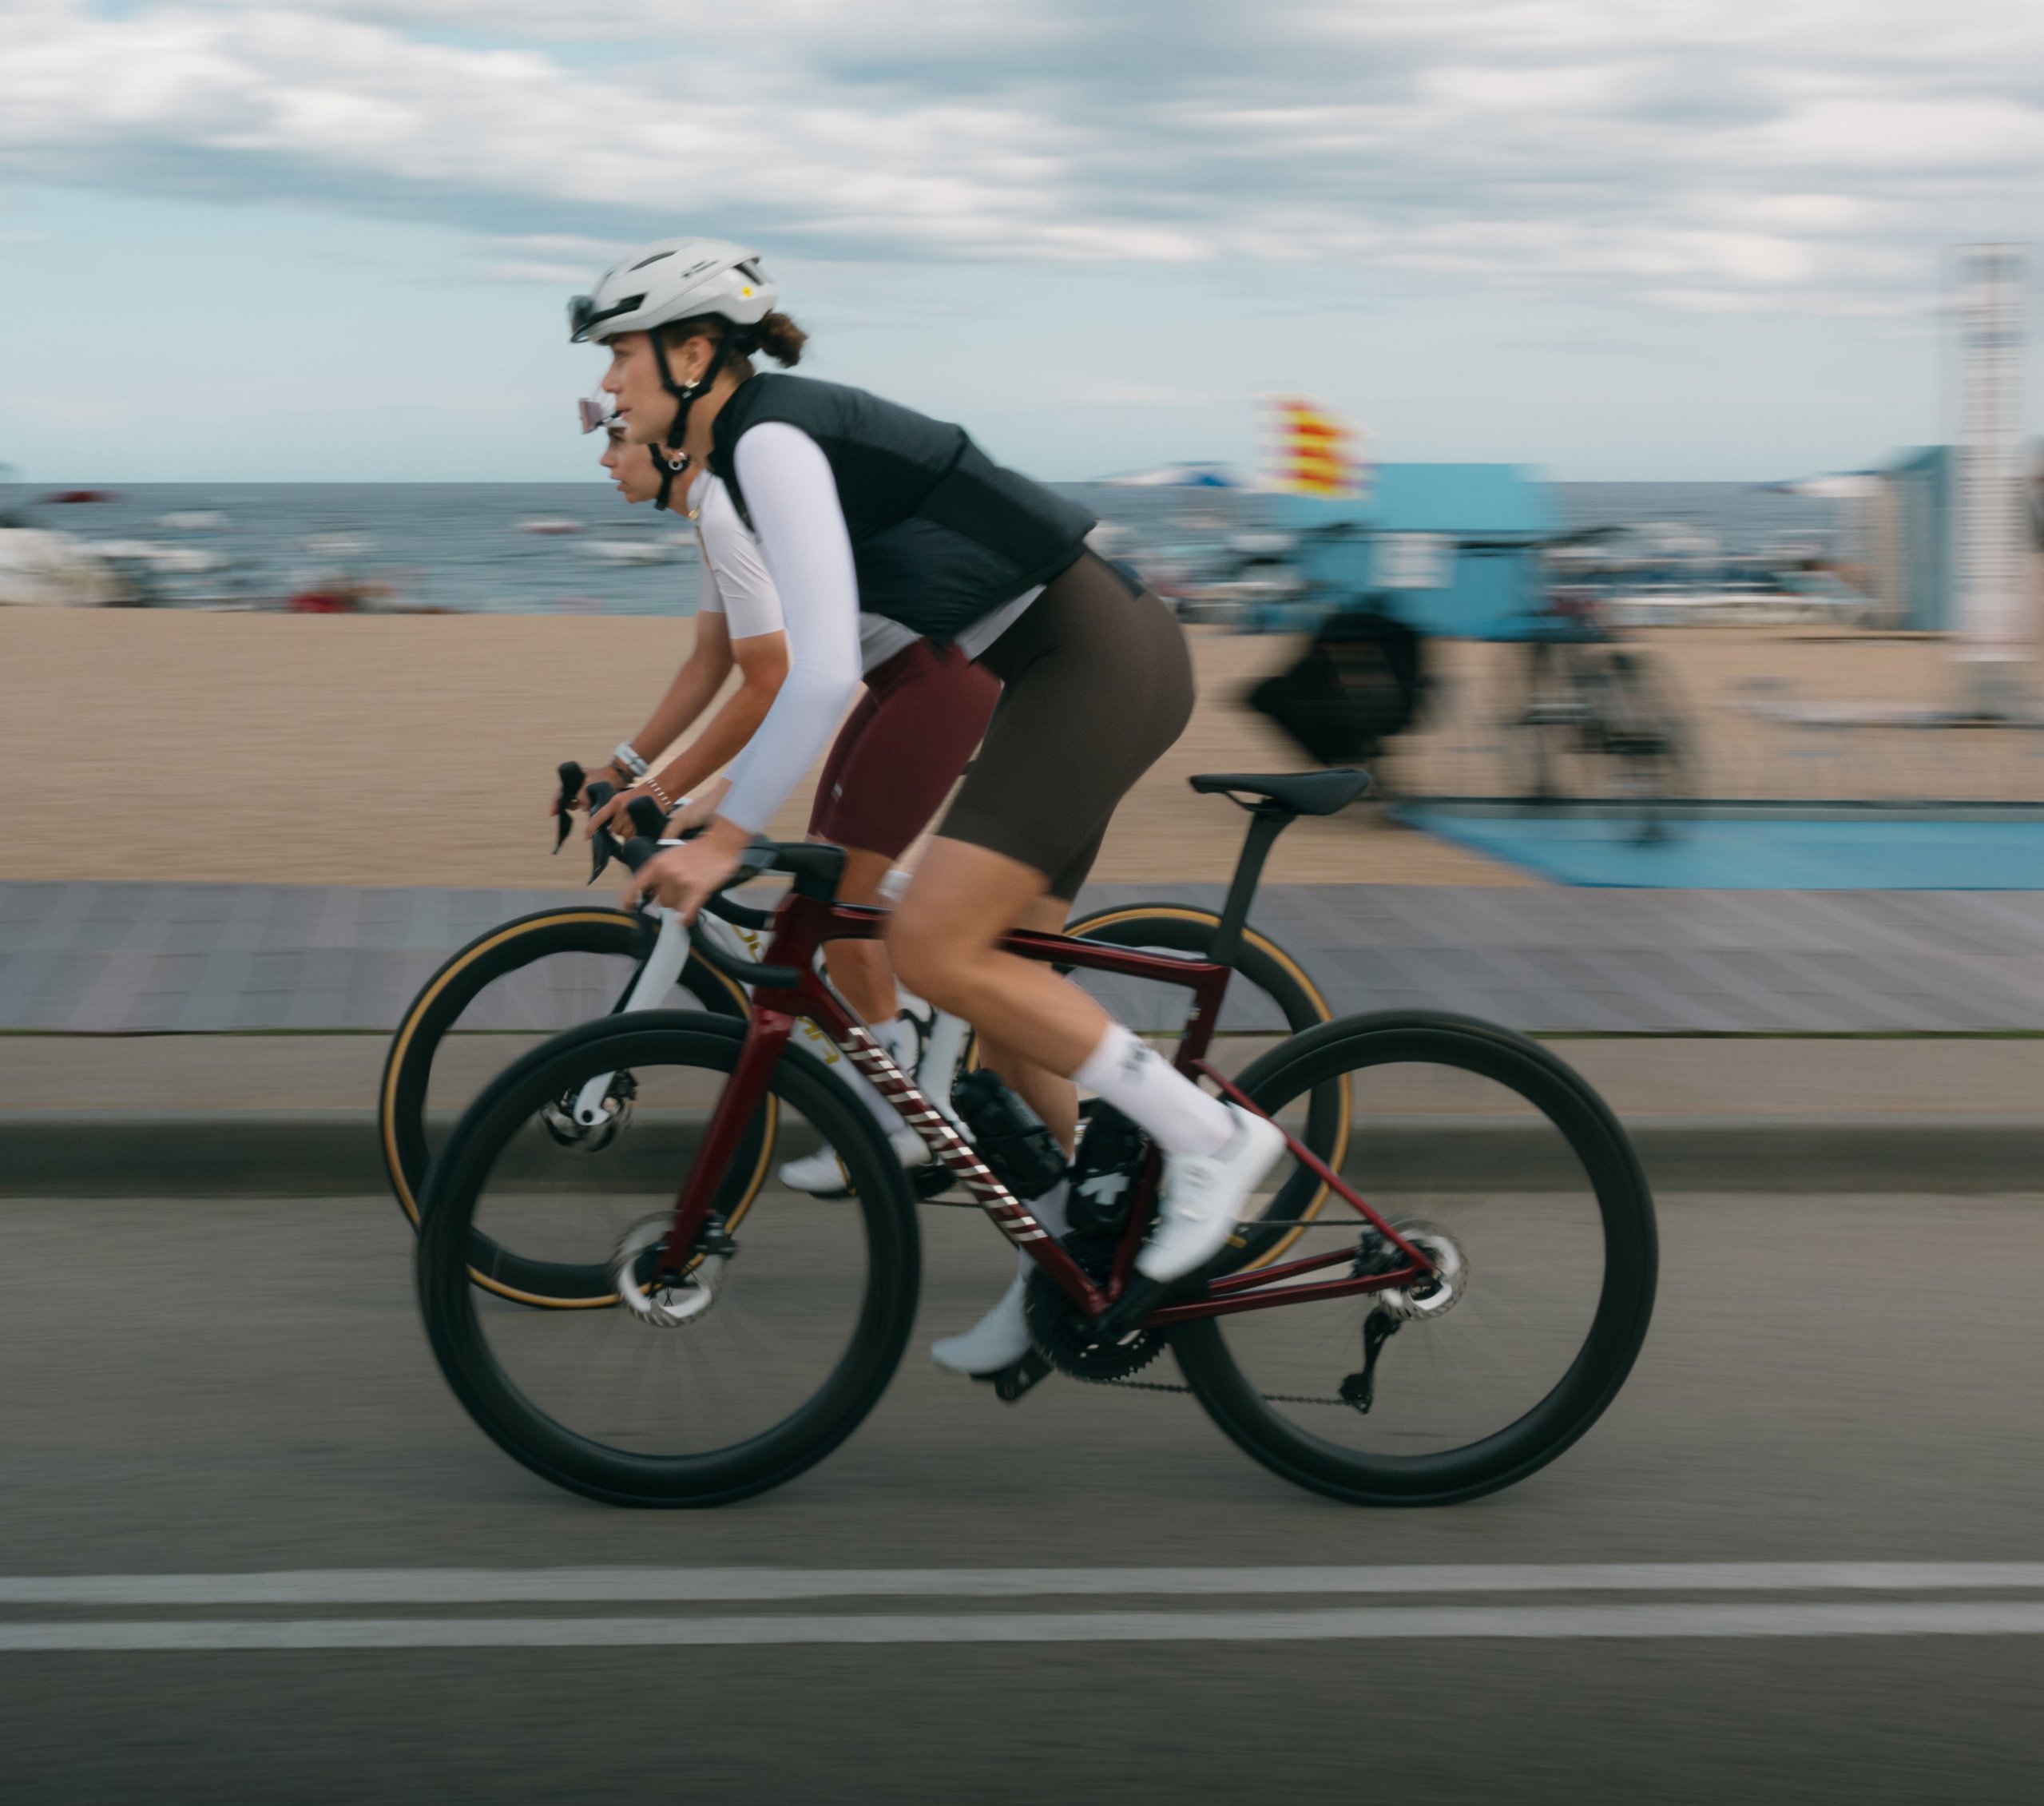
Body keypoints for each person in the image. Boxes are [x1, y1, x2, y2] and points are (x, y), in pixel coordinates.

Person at [576, 237, 1285, 1377]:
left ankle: (1212, 1137)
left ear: (694, 352)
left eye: (620, 358)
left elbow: (807, 674)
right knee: (1009, 1018)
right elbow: (813, 662)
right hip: (1083, 659)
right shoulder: (751, 450)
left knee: (932, 943)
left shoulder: (769, 435)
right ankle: (1074, 1265)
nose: (610, 387)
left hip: (1090, 658)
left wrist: (720, 834)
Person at [574, 412, 1000, 1184]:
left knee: (833, 888)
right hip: (901, 676)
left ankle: (901, 1111)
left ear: (670, 450)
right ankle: (909, 1053)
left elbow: (768, 676)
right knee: (832, 884)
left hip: (936, 677)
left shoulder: (727, 512)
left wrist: (674, 792)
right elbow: (712, 662)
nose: (604, 461)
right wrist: (630, 768)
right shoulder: (711, 515)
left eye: (615, 442)